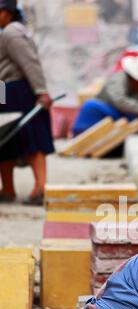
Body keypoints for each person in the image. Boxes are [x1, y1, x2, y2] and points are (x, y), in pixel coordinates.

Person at [0, 0, 54, 205]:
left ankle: (40, 189)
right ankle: (7, 190)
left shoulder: (12, 32)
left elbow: (29, 62)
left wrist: (41, 91)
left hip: (18, 90)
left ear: (6, 12)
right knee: (5, 142)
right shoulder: (7, 32)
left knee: (31, 137)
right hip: (5, 89)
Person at [72, 55, 138, 136]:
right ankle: (81, 132)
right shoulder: (119, 78)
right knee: (90, 105)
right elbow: (118, 100)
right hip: (109, 110)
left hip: (127, 116)